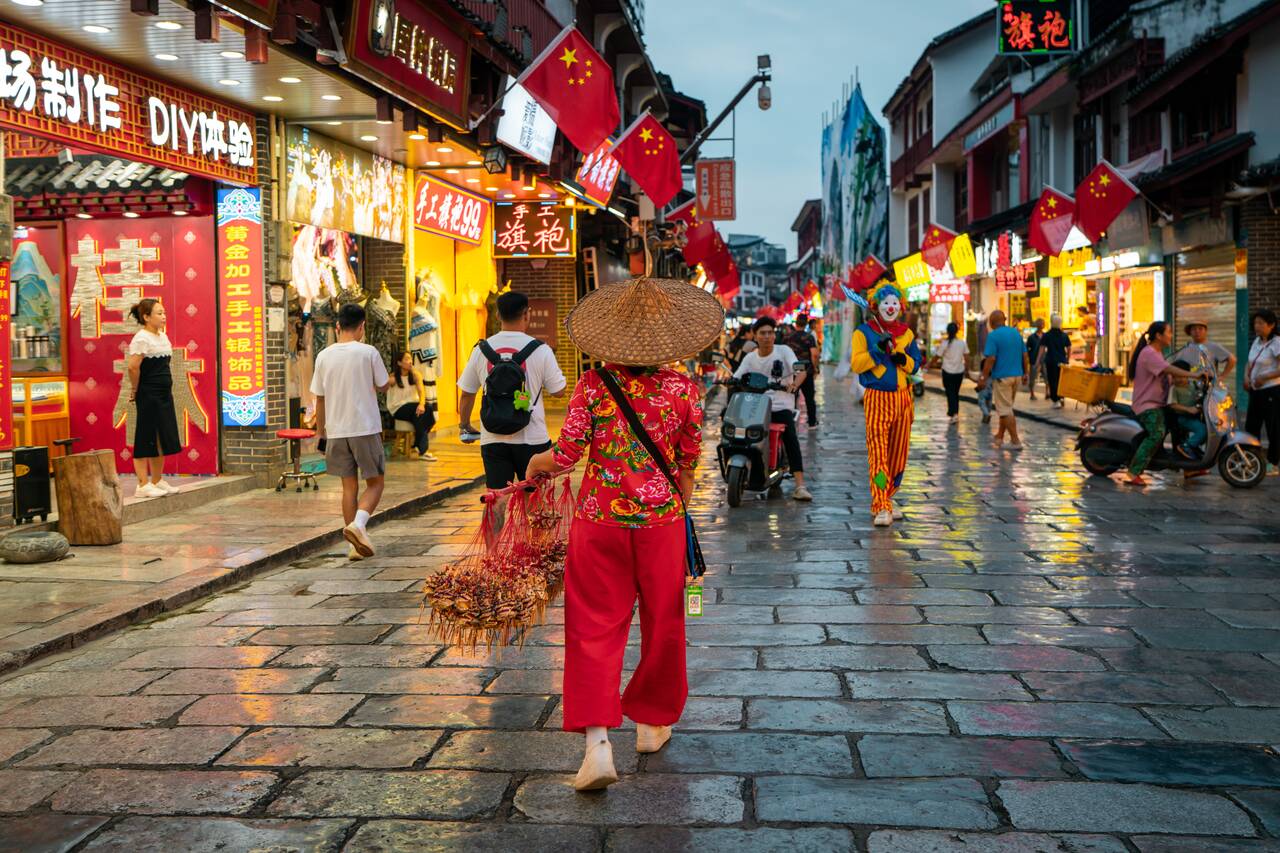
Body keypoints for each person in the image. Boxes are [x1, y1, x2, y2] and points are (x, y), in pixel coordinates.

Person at [525, 276, 721, 792]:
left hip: (599, 522)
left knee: (592, 628)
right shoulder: (684, 389)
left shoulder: (593, 385)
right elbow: (688, 463)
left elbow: (565, 458)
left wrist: (533, 462)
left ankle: (596, 746)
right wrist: (673, 498)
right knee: (665, 621)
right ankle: (653, 723)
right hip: (661, 525)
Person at [458, 291, 567, 493]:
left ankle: (494, 527)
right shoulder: (541, 350)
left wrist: (465, 426)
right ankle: (529, 526)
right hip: (532, 438)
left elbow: (466, 393)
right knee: (534, 500)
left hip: (493, 438)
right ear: (527, 314)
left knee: (496, 499)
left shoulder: (481, 350)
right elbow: (558, 391)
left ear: (497, 315)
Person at [311, 302, 392, 559]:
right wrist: (389, 379)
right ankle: (358, 525)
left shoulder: (323, 356)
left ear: (337, 326)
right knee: (376, 483)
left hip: (335, 430)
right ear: (362, 327)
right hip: (364, 427)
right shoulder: (368, 352)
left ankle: (353, 547)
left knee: (349, 488)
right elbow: (382, 385)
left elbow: (320, 398)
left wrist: (320, 432)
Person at [850, 282, 921, 526]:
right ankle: (880, 503)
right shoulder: (863, 332)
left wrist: (904, 360)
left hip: (903, 398)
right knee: (878, 455)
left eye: (894, 303)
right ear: (875, 306)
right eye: (885, 303)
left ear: (900, 306)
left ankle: (888, 496)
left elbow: (916, 363)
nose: (890, 307)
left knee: (897, 456)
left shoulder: (907, 333)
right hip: (878, 398)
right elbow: (857, 365)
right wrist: (877, 351)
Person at [735, 316, 811, 501]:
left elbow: (800, 371)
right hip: (755, 407)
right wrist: (726, 379)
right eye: (763, 333)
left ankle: (800, 485)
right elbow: (737, 375)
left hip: (780, 406)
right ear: (755, 336)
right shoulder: (750, 357)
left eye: (770, 332)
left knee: (791, 437)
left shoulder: (784, 351)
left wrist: (794, 385)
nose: (767, 336)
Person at [1125, 321, 1201, 486]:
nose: (1171, 336)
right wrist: (1194, 375)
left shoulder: (1158, 353)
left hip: (1160, 404)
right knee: (1157, 433)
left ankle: (1188, 467)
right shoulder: (1149, 353)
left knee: (1180, 426)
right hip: (1148, 406)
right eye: (1169, 332)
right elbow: (1169, 370)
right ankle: (1134, 471)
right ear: (1159, 336)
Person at [126, 299, 182, 499]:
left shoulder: (163, 336)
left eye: (164, 312)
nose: (163, 316)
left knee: (160, 437)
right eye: (159, 313)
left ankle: (157, 480)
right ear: (146, 317)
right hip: (148, 393)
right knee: (145, 436)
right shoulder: (141, 338)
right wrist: (135, 389)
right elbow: (133, 367)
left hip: (164, 394)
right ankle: (142, 485)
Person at [977, 310, 1029, 450]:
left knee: (1005, 410)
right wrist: (1026, 373)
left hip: (1002, 377)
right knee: (1006, 407)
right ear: (1004, 320)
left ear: (992, 323)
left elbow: (991, 359)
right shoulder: (1015, 333)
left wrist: (983, 377)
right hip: (1016, 376)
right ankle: (1000, 436)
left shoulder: (993, 336)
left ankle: (1015, 441)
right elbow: (1025, 355)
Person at [1244, 309, 1280, 471]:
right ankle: (1252, 459)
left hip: (1272, 391)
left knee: (1273, 427)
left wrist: (1264, 377)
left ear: (1271, 325)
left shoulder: (1277, 343)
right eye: (1255, 323)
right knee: (1251, 426)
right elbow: (1249, 362)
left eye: (1260, 323)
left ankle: (1273, 462)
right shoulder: (1257, 341)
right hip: (1255, 391)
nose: (1256, 326)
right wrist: (1246, 378)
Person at [387, 350, 436, 461]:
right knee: (426, 413)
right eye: (407, 359)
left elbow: (421, 392)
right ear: (399, 363)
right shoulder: (393, 377)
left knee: (421, 415)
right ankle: (420, 448)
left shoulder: (415, 375)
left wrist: (421, 404)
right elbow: (381, 385)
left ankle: (421, 449)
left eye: (410, 359)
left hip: (413, 408)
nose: (410, 362)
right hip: (398, 409)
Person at [1167, 359, 1207, 459]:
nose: (1178, 379)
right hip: (1183, 418)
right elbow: (1172, 405)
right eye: (1175, 377)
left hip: (1193, 416)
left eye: (1181, 376)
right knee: (1202, 430)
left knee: (1208, 432)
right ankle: (1186, 446)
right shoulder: (1174, 389)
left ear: (1188, 374)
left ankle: (1192, 446)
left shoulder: (1193, 385)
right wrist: (1188, 409)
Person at [788, 314, 821, 427]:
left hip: (791, 372)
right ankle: (812, 422)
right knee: (809, 398)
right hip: (806, 372)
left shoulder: (787, 337)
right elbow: (815, 355)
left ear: (796, 323)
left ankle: (789, 421)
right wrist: (815, 368)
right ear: (806, 323)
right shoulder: (809, 337)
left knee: (791, 397)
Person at [1038, 315, 1072, 408]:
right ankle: (1061, 398)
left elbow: (1042, 348)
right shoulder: (1064, 335)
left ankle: (1056, 400)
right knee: (1061, 380)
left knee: (1052, 380)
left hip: (1051, 361)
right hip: (1062, 361)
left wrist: (1038, 360)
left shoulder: (1047, 335)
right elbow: (1069, 348)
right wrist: (1068, 359)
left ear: (1052, 322)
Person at [939, 321, 968, 422]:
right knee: (955, 392)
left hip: (947, 371)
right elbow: (967, 356)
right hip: (959, 371)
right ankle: (954, 412)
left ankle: (953, 412)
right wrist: (967, 369)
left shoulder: (945, 343)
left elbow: (937, 356)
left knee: (950, 392)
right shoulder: (961, 343)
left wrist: (928, 365)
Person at [1025, 319, 1045, 400]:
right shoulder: (1031, 337)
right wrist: (1029, 357)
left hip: (1044, 359)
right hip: (1034, 359)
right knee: (1032, 377)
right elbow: (1027, 348)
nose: (1041, 325)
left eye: (1042, 323)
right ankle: (1032, 394)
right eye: (1040, 324)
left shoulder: (1045, 336)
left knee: (1047, 377)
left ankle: (1047, 392)